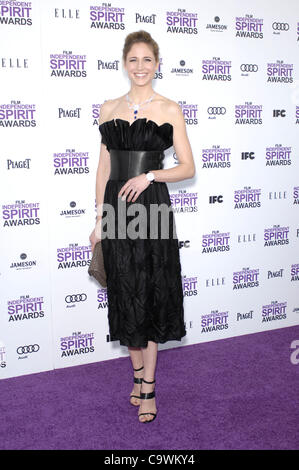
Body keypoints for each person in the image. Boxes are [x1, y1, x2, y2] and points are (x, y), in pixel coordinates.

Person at [89, 30, 195, 423]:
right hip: (117, 210)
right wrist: (100, 220)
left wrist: (150, 176)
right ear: (124, 63)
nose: (140, 67)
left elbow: (187, 167)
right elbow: (103, 169)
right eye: (133, 60)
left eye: (147, 60)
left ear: (157, 63)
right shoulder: (108, 108)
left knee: (149, 292)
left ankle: (149, 388)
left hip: (151, 208)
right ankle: (135, 377)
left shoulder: (169, 109)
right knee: (125, 293)